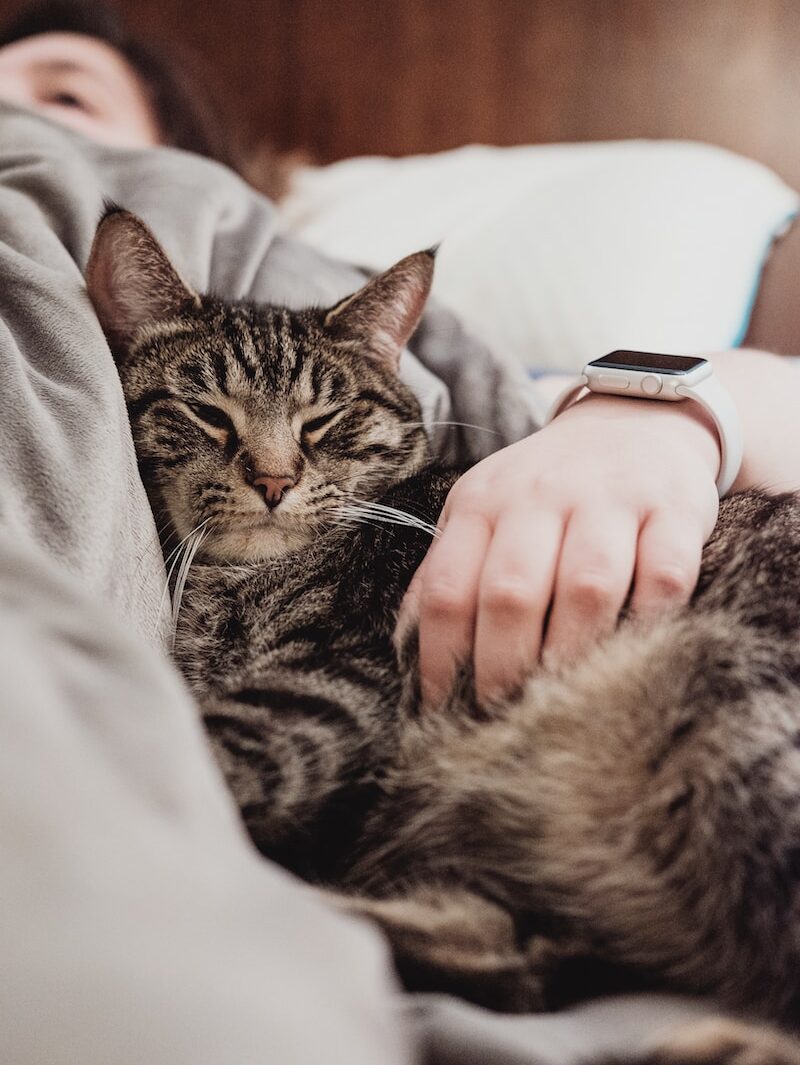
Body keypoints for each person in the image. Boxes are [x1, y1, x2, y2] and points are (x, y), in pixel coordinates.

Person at [1, 5, 800, 1065]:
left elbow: (772, 401)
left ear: (176, 144)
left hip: (666, 682)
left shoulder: (420, 399)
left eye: (62, 93)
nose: (277, 478)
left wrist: (651, 414)